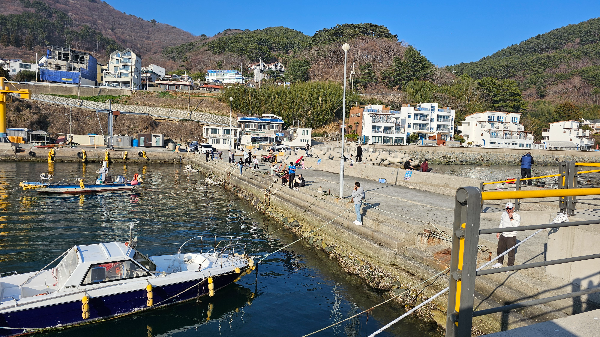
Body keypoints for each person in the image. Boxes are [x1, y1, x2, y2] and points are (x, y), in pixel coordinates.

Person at [493, 202, 520, 268]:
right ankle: (499, 262)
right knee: (500, 249)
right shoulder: (504, 214)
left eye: (510, 209)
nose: (508, 210)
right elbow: (501, 223)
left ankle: (510, 265)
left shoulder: (517, 216)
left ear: (513, 208)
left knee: (511, 252)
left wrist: (511, 218)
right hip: (503, 234)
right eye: (507, 209)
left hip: (511, 236)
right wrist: (498, 232)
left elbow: (516, 226)